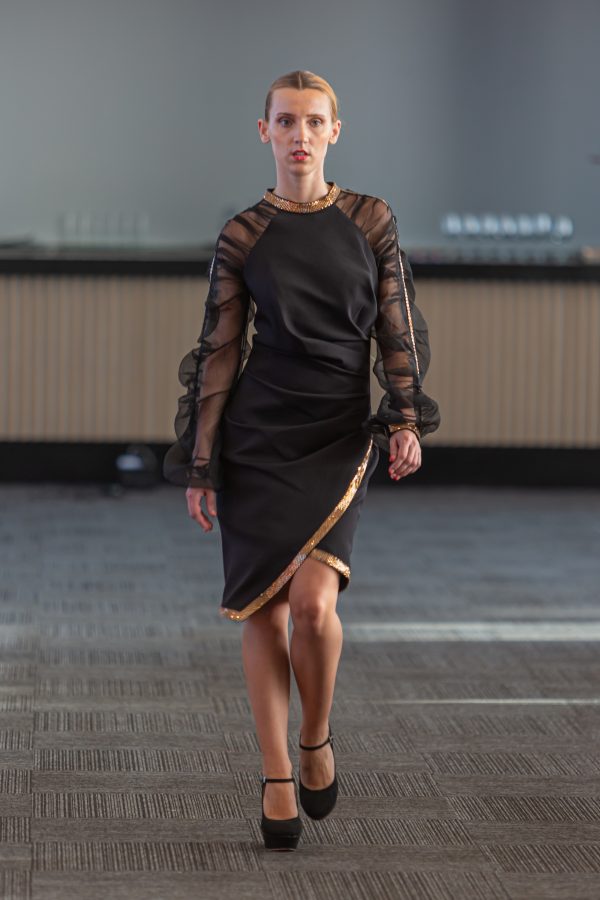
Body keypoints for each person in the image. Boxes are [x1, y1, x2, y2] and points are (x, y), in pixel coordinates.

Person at [162, 70, 441, 851]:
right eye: (285, 122)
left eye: (314, 122)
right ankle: (277, 771)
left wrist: (406, 416)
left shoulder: (370, 219)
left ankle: (315, 734)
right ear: (265, 132)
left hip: (337, 431)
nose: (300, 136)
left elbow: (397, 327)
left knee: (315, 607)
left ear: (334, 132)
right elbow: (220, 351)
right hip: (258, 436)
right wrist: (202, 460)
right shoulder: (243, 234)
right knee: (263, 607)